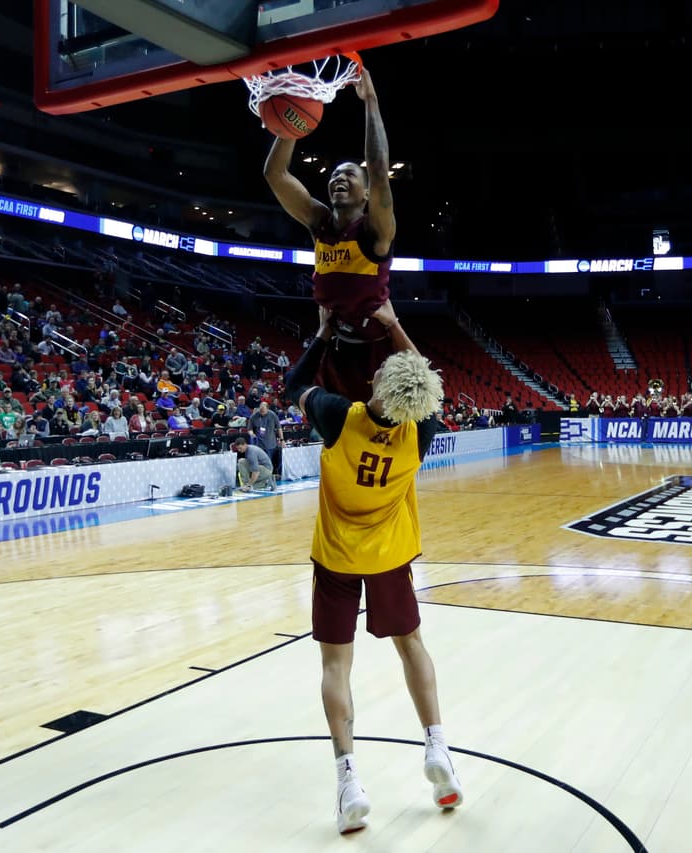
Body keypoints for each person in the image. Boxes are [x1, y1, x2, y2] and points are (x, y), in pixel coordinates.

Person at [282, 301, 460, 834]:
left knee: (336, 668)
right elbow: (431, 387)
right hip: (389, 557)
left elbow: (294, 384)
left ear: (379, 388)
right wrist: (393, 324)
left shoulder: (341, 417)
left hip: (337, 556)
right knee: (413, 647)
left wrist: (319, 335)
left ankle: (349, 780)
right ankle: (438, 750)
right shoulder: (419, 433)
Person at [263, 67, 395, 402]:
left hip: (376, 350)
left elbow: (378, 172)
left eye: (349, 175)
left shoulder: (374, 230)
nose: (339, 178)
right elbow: (275, 174)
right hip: (333, 345)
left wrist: (371, 102)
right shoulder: (318, 221)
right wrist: (292, 123)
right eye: (335, 174)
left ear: (365, 195)